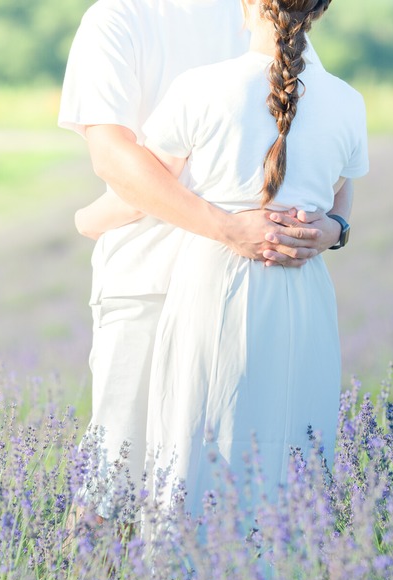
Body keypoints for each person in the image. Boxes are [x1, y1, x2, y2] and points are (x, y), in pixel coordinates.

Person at [58, 0, 355, 525]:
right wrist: (229, 227)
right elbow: (113, 154)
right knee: (116, 483)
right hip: (147, 279)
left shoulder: (260, 10)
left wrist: (327, 228)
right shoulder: (120, 16)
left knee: (232, 481)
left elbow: (309, 133)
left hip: (248, 288)